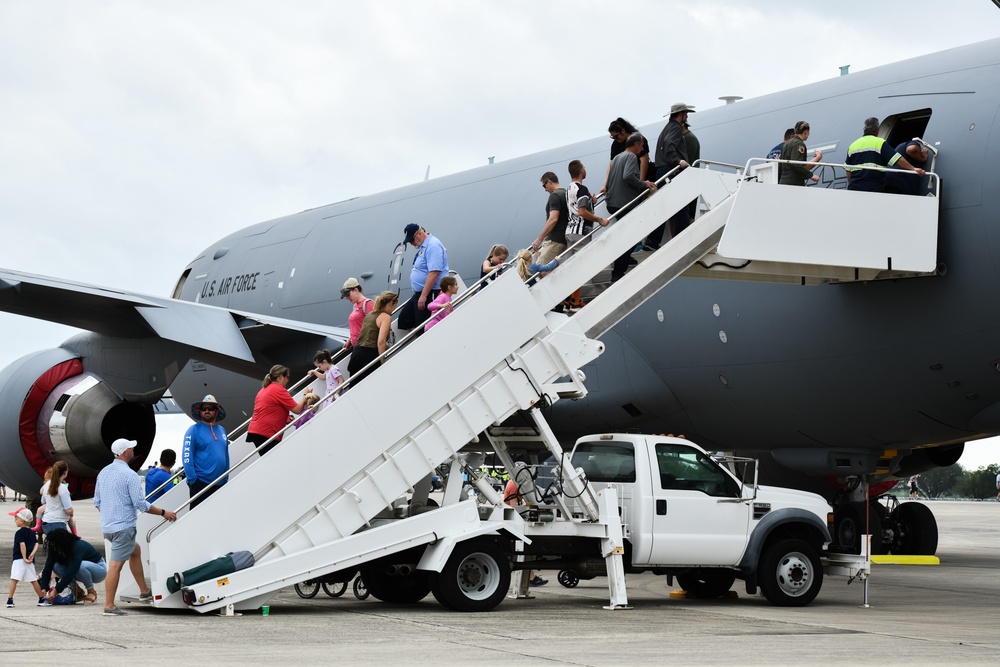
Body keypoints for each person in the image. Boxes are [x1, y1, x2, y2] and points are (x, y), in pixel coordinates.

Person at [94, 438, 177, 616]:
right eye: (131, 448)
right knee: (115, 566)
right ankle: (109, 606)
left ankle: (144, 590)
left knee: (135, 551)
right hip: (123, 527)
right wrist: (164, 512)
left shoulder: (103, 473)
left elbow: (97, 501)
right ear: (125, 452)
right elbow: (141, 504)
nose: (133, 450)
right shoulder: (130, 475)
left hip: (108, 527)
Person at [606, 132, 657, 282]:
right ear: (636, 145)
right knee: (629, 238)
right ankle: (618, 272)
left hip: (613, 203)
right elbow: (628, 176)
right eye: (641, 146)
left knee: (624, 237)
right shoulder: (630, 157)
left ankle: (624, 261)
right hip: (624, 204)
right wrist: (644, 183)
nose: (642, 149)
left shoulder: (617, 157)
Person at [846, 117, 925, 192]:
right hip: (873, 188)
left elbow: (848, 170)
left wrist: (853, 185)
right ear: (877, 129)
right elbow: (896, 159)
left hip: (854, 188)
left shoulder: (853, 145)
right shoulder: (879, 142)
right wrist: (913, 169)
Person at [247, 366, 310, 456]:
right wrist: (305, 395)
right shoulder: (278, 389)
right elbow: (297, 409)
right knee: (273, 461)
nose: (288, 380)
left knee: (270, 460)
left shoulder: (264, 389)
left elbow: (269, 409)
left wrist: (285, 418)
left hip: (257, 431)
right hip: (267, 433)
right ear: (280, 377)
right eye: (287, 377)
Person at [37, 528, 107, 605]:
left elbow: (72, 570)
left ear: (63, 542)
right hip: (79, 569)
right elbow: (48, 566)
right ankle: (78, 591)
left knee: (80, 566)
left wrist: (57, 590)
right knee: (56, 566)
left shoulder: (77, 546)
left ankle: (91, 591)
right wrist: (44, 587)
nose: (53, 547)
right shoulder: (54, 547)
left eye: (55, 544)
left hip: (99, 570)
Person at [183, 395, 230, 507]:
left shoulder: (222, 430)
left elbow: (226, 456)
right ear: (200, 412)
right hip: (200, 484)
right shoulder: (193, 430)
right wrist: (193, 481)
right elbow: (186, 457)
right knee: (198, 520)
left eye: (210, 408)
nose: (207, 411)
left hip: (221, 484)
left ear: (216, 411)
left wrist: (226, 477)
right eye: (204, 409)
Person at [399, 224, 448, 331]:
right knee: (404, 319)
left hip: (432, 291)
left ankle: (425, 340)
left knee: (424, 325)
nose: (411, 243)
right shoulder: (424, 246)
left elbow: (434, 272)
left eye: (412, 240)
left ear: (420, 234)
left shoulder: (433, 245)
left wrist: (424, 295)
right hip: (422, 292)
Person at [346, 291, 399, 385]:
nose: (393, 310)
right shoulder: (386, 317)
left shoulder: (370, 315)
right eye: (394, 306)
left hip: (356, 354)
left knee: (354, 388)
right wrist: (382, 361)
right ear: (391, 304)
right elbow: (381, 341)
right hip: (369, 356)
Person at [503, 478, 546, 587]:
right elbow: (514, 505)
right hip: (511, 519)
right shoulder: (513, 485)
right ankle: (531, 578)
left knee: (524, 551)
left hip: (511, 518)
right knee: (523, 550)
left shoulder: (515, 483)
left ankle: (532, 578)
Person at [7, 507, 47, 607]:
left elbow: (22, 545)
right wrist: (32, 554)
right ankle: (41, 599)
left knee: (14, 579)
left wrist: (24, 557)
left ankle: (10, 599)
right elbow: (36, 544)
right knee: (33, 580)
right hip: (30, 560)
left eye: (16, 519)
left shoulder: (19, 533)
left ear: (22, 521)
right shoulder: (32, 532)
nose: (15, 521)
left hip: (19, 559)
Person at [601, 117, 651, 195]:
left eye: (616, 136)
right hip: (627, 183)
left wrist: (641, 183)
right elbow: (611, 165)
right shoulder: (616, 144)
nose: (615, 139)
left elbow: (644, 160)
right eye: (612, 137)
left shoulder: (638, 139)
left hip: (640, 177)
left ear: (623, 131)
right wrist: (605, 185)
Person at [530, 172, 570, 268]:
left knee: (540, 270)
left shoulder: (555, 196)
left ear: (549, 182)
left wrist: (539, 239)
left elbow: (553, 219)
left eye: (544, 186)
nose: (545, 190)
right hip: (564, 238)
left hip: (555, 240)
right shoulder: (566, 193)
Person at [778, 121, 823, 186]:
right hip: (795, 183)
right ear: (806, 132)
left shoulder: (786, 144)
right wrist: (811, 175)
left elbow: (780, 165)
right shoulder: (799, 144)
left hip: (783, 182)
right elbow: (797, 164)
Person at [38, 460, 75, 536]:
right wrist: (71, 512)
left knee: (52, 547)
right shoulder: (63, 488)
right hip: (58, 524)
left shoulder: (46, 485)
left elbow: (43, 502)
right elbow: (68, 510)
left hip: (46, 523)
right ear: (65, 473)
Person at [341, 277, 374, 352]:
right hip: (357, 347)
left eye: (348, 295)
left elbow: (373, 326)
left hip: (365, 347)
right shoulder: (355, 306)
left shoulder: (368, 304)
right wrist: (350, 339)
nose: (347, 298)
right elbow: (358, 326)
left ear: (356, 290)